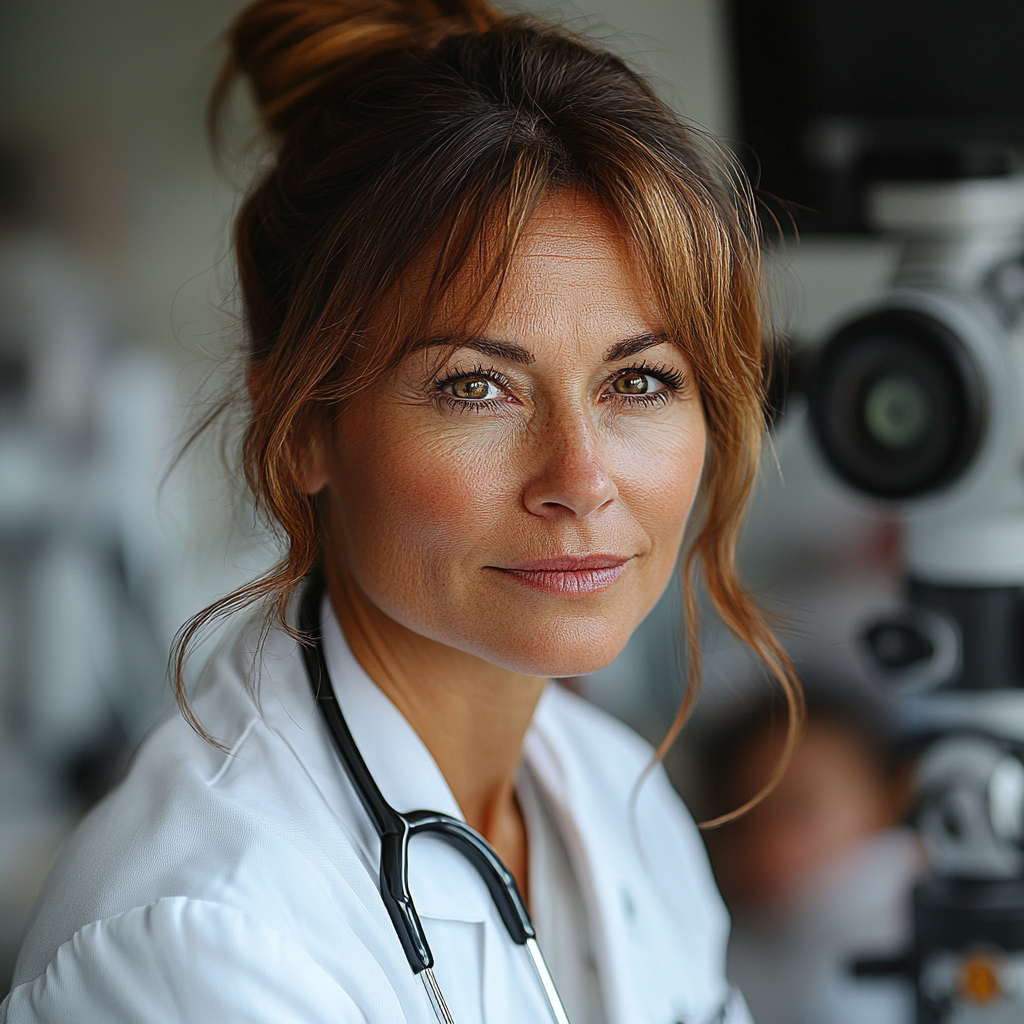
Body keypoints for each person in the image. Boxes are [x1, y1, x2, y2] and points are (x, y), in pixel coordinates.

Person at [0, 2, 801, 1021]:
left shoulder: (613, 803)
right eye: (477, 385)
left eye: (638, 380)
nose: (581, 476)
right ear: (303, 430)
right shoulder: (208, 935)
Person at [703, 673, 920, 1024]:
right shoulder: (725, 955)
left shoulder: (949, 916)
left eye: (799, 809)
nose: (773, 843)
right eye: (745, 821)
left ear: (891, 798)